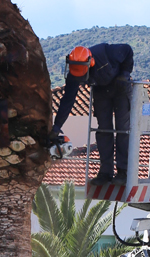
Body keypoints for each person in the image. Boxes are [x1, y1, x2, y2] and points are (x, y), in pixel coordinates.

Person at [52, 43, 134, 186]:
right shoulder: (74, 71)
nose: (79, 76)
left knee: (123, 129)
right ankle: (105, 172)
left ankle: (123, 171)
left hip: (120, 88)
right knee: (103, 130)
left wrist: (124, 74)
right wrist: (56, 126)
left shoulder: (107, 53)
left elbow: (128, 50)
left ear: (90, 63)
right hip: (101, 90)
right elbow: (67, 100)